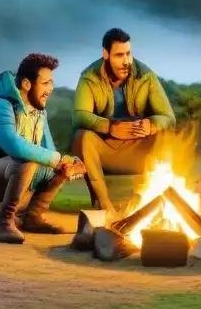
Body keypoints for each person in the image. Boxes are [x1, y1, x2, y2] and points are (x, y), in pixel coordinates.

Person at [0, 53, 87, 244]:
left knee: (56, 166)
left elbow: (49, 152)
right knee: (26, 159)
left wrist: (67, 164)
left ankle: (32, 217)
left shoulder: (39, 113)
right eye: (46, 83)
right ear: (26, 84)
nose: (51, 88)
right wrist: (58, 159)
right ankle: (2, 223)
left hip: (7, 174)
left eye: (51, 83)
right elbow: (14, 146)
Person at [70, 27, 176, 215]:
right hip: (106, 148)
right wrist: (110, 127)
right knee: (82, 137)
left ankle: (157, 204)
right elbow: (79, 116)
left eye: (128, 54)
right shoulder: (89, 77)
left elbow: (168, 118)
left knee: (166, 136)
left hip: (137, 147)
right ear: (106, 54)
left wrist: (151, 124)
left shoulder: (146, 76)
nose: (126, 61)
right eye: (119, 55)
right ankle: (105, 208)